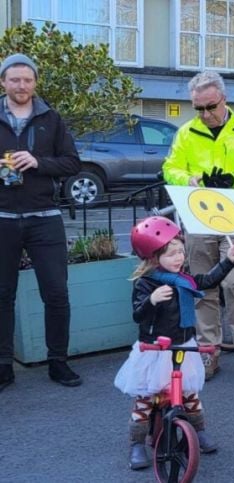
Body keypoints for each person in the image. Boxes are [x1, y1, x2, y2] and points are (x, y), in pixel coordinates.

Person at [162, 71, 234, 383]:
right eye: (198, 108)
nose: (206, 114)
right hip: (198, 216)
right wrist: (188, 179)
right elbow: (170, 168)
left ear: (224, 99)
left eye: (211, 106)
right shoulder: (185, 133)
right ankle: (209, 351)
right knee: (202, 286)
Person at [115, 216, 234, 470]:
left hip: (183, 346)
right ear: (152, 256)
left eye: (181, 252)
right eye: (171, 254)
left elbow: (206, 281)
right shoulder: (146, 283)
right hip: (155, 350)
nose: (179, 258)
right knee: (146, 399)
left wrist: (228, 262)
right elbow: (138, 315)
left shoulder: (184, 279)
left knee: (190, 395)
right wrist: (151, 299)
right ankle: (137, 444)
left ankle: (199, 431)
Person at [0, 53, 83, 391]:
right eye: (15, 79)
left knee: (56, 293)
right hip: (3, 217)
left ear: (35, 83)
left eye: (28, 80)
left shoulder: (51, 117)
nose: (22, 85)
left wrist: (37, 162)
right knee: (3, 294)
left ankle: (58, 361)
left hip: (44, 218)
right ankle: (4, 365)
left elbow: (72, 163)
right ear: (3, 81)